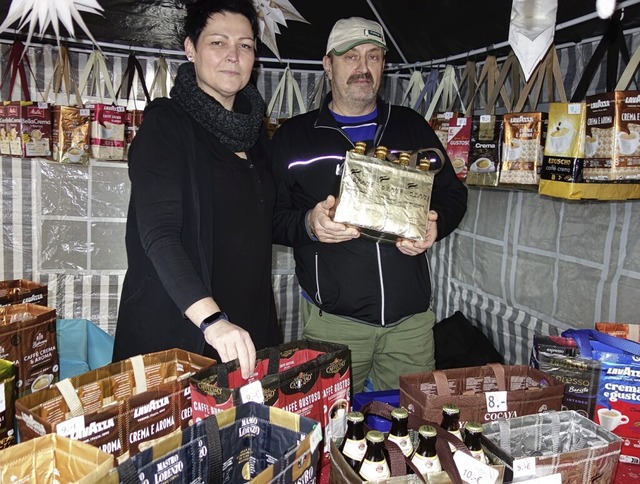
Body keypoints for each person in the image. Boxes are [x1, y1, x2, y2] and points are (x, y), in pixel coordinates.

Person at [271, 17, 468, 393]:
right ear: (328, 65)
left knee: (413, 425)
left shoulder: (410, 127)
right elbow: (270, 218)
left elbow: (453, 195)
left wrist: (435, 224)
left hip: (410, 325)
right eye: (351, 57)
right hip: (335, 323)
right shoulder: (293, 138)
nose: (363, 68)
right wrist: (310, 224)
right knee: (332, 425)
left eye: (374, 57)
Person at [113, 0, 281, 378]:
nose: (233, 56)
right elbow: (159, 235)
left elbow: (264, 221)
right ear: (191, 48)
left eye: (245, 45)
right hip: (185, 331)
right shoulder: (166, 126)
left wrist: (312, 224)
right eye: (218, 43)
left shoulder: (256, 135)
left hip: (249, 329)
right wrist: (212, 321)